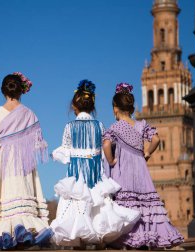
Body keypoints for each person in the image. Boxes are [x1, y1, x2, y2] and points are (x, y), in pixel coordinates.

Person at [50, 80, 140, 248]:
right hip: (95, 174)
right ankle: (99, 239)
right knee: (99, 207)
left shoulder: (69, 127)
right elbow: (104, 150)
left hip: (76, 175)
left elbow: (66, 151)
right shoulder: (99, 125)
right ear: (92, 106)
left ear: (74, 106)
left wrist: (56, 155)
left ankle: (79, 242)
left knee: (77, 207)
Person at [0, 72, 52, 250]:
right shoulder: (29, 114)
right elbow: (38, 144)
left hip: (6, 160)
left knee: (6, 193)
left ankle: (8, 232)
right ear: (21, 91)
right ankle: (24, 230)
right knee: (22, 191)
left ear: (3, 91)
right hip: (24, 161)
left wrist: (5, 142)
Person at [103, 82, 184, 249]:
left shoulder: (115, 127)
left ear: (115, 109)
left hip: (123, 173)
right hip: (141, 173)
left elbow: (105, 146)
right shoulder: (141, 125)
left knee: (126, 204)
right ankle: (147, 237)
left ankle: (129, 238)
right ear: (131, 109)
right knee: (146, 204)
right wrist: (147, 153)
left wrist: (111, 161)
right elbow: (155, 139)